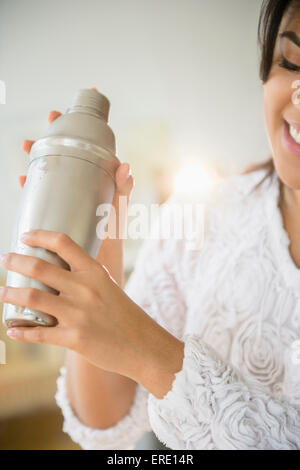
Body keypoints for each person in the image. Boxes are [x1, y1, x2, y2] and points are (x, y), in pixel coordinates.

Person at [2, 0, 300, 450]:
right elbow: (106, 423)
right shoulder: (203, 214)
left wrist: (154, 356)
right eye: (290, 62)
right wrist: (103, 268)